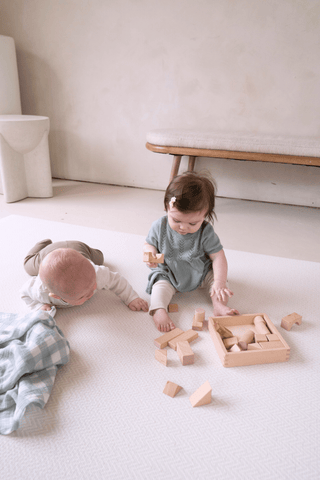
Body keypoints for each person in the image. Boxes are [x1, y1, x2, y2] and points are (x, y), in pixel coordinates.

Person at [143, 171, 239, 332]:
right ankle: (159, 310)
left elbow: (218, 256)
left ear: (205, 215)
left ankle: (218, 306)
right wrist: (150, 254)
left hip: (199, 271)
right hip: (169, 272)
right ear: (167, 207)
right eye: (176, 220)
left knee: (219, 283)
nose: (183, 227)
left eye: (193, 223)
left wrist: (219, 283)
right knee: (159, 286)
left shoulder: (206, 232)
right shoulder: (159, 226)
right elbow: (148, 244)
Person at [20, 239, 148, 312]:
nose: (91, 293)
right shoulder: (40, 290)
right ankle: (42, 244)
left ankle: (92, 252)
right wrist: (38, 306)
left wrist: (131, 298)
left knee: (100, 257)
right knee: (28, 266)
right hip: (47, 254)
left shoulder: (96, 273)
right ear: (56, 296)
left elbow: (117, 280)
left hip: (79, 248)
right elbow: (24, 294)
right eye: (82, 295)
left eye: (93, 286)